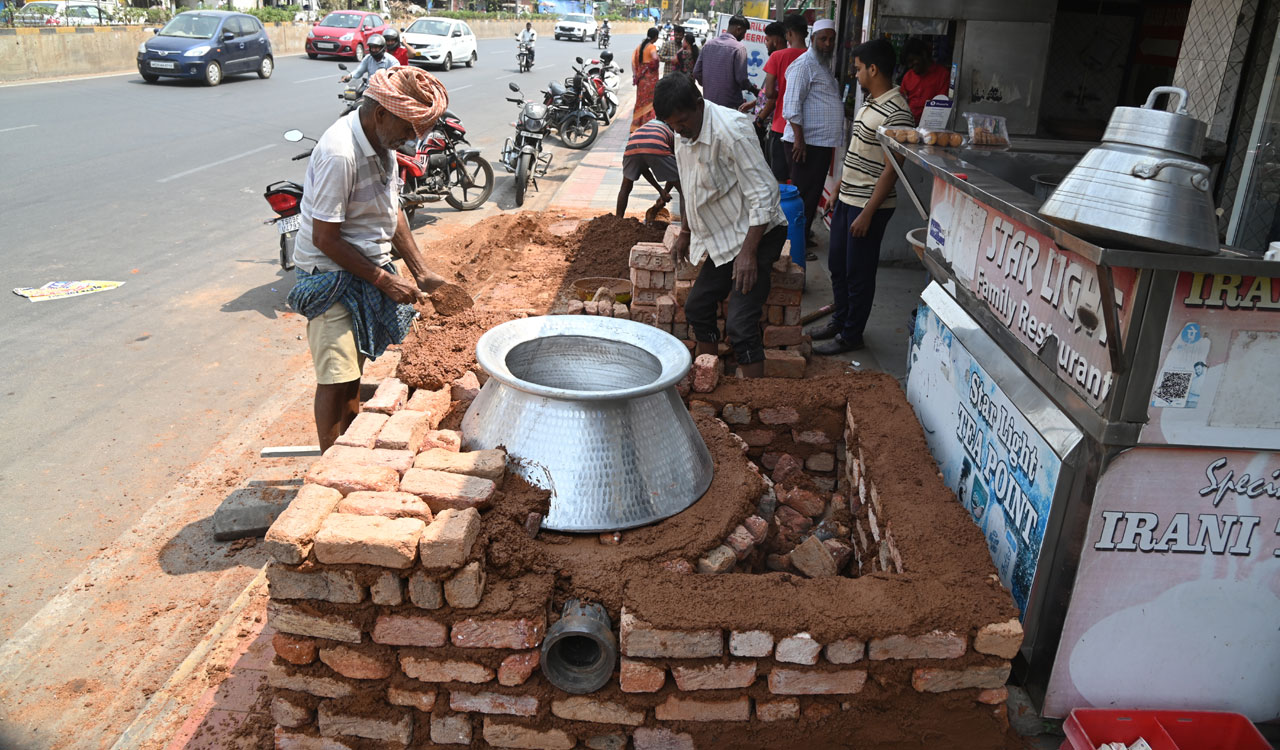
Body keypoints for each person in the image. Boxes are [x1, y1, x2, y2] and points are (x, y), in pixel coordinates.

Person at [288, 67, 451, 451]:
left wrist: (421, 271)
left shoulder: (383, 146)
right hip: (331, 278)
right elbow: (325, 238)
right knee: (335, 378)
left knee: (352, 374)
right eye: (409, 128)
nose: (414, 139)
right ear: (381, 113)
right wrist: (383, 280)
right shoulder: (339, 154)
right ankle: (330, 465)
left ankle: (349, 444)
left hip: (360, 271)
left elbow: (390, 210)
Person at [656, 73, 789, 378]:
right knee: (697, 307)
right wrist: (686, 232)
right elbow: (689, 186)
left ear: (699, 104)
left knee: (740, 325)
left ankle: (753, 401)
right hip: (723, 236)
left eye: (682, 122)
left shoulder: (733, 130)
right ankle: (708, 378)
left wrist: (748, 254)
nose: (679, 130)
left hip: (759, 233)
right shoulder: (682, 132)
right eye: (673, 125)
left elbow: (766, 193)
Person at [809, 38, 913, 355]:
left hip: (869, 206)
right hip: (848, 198)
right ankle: (840, 321)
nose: (855, 74)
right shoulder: (869, 102)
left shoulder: (898, 112)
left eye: (857, 69)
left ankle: (852, 335)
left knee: (859, 273)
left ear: (873, 68)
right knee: (838, 265)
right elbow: (856, 152)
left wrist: (868, 212)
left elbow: (892, 169)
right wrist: (838, 187)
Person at [781, 18, 843, 249]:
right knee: (803, 197)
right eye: (823, 39)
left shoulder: (823, 65)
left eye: (831, 40)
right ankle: (794, 245)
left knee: (811, 196)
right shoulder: (804, 64)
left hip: (819, 143)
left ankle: (801, 238)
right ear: (812, 39)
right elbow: (791, 106)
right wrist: (799, 140)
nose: (827, 43)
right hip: (805, 144)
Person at [758, 17, 803, 182]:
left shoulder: (777, 56)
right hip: (805, 130)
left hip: (781, 125)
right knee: (799, 179)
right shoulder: (810, 56)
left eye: (768, 39)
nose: (766, 43)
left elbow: (769, 93)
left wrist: (782, 94)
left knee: (779, 180)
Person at [616, 119, 680, 221]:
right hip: (656, 145)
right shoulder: (670, 133)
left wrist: (661, 191)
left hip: (632, 147)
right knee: (682, 189)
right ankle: (687, 229)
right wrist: (664, 192)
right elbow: (674, 172)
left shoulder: (644, 127)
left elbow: (642, 168)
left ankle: (617, 220)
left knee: (626, 185)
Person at [693, 14, 756, 110]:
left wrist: (709, 84)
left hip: (709, 103)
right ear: (738, 29)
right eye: (743, 33)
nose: (743, 36)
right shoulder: (739, 48)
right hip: (730, 106)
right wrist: (754, 90)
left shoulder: (708, 45)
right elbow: (742, 79)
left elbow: (696, 72)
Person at [900, 38, 949, 123]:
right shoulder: (908, 76)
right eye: (908, 63)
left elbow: (942, 108)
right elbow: (901, 101)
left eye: (912, 61)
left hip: (931, 126)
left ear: (923, 54)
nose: (910, 66)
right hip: (908, 123)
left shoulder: (943, 75)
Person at [631, 27, 660, 132]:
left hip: (641, 80)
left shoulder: (639, 47)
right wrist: (653, 67)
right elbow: (655, 58)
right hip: (650, 80)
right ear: (656, 37)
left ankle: (636, 125)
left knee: (640, 101)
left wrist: (635, 75)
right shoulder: (652, 47)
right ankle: (647, 124)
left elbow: (633, 63)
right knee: (649, 101)